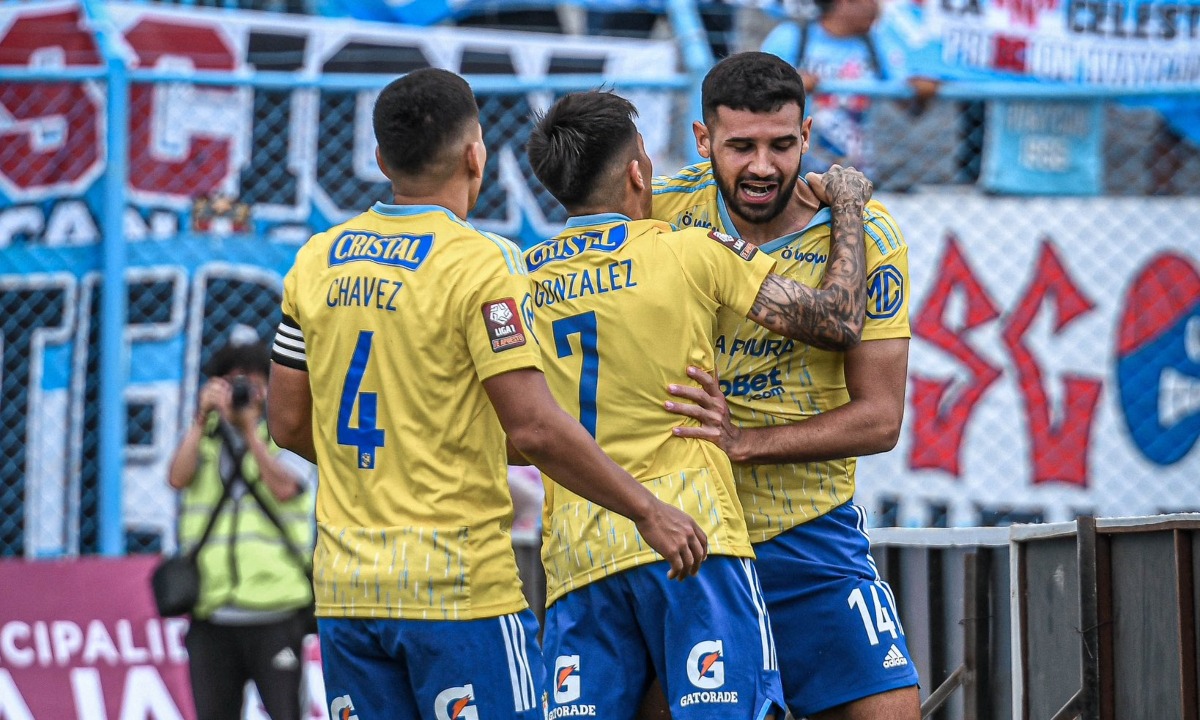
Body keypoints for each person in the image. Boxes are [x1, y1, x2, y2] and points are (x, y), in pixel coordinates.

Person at [265, 67, 708, 720]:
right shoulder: (481, 262)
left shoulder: (316, 260)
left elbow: (286, 423)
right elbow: (533, 428)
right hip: (458, 589)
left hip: (345, 591)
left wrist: (395, 460)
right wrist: (647, 509)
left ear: (382, 160)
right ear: (476, 156)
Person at [523, 89, 871, 720]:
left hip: (579, 554)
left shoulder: (522, 281)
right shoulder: (688, 251)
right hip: (693, 539)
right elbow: (839, 320)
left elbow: (518, 430)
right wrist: (848, 207)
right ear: (637, 172)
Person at [653, 52, 919, 719]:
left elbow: (881, 419)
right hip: (686, 532)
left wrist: (745, 443)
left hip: (808, 531)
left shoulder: (868, 233)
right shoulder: (660, 212)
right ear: (704, 139)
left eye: (780, 145)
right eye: (740, 146)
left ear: (806, 135)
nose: (763, 167)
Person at [166, 328, 315, 720]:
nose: (241, 392)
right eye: (231, 382)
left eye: (251, 382)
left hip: (276, 610)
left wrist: (250, 432)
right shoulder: (204, 440)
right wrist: (201, 420)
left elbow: (285, 488)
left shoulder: (286, 439)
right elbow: (177, 478)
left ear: (268, 389)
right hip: (212, 611)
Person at [760, 0, 938, 177]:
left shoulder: (877, 43)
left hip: (859, 174)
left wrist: (919, 89)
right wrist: (792, 83)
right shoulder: (791, 37)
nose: (875, 6)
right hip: (797, 174)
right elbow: (758, 88)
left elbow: (906, 96)